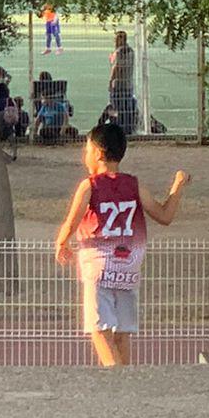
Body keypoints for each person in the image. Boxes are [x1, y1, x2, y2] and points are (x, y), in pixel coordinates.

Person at [53, 121, 190, 367]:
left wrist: (62, 242)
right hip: (128, 266)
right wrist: (177, 187)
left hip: (99, 265)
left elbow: (72, 221)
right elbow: (164, 215)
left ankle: (115, 376)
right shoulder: (134, 185)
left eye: (86, 151)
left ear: (97, 152)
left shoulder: (90, 185)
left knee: (99, 328)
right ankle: (127, 379)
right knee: (122, 332)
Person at [110, 32, 139, 135]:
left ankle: (118, 130)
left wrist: (111, 81)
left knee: (117, 109)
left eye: (116, 39)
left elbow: (117, 68)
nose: (115, 42)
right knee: (127, 109)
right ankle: (128, 130)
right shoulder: (131, 51)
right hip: (128, 85)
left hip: (118, 85)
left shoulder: (119, 52)